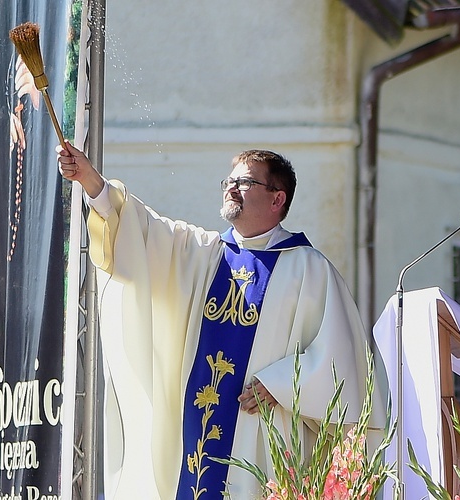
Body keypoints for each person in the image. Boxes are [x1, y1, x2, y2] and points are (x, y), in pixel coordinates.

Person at [57, 142, 385, 499]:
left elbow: (341, 362)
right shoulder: (203, 254)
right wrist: (92, 182)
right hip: (193, 434)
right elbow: (145, 232)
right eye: (228, 180)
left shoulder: (309, 269)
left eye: (244, 182)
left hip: (259, 436)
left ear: (277, 200)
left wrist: (281, 385)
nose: (231, 187)